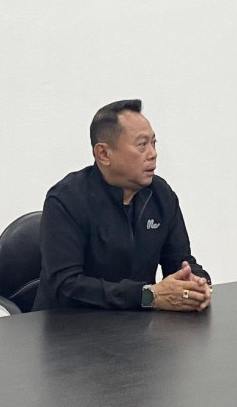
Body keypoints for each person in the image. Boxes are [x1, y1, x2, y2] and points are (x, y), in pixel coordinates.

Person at [32, 99, 212, 312]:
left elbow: (180, 261)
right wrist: (147, 296)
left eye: (154, 143)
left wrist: (196, 283)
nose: (153, 153)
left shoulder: (161, 195)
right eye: (142, 145)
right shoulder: (66, 200)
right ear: (104, 154)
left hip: (138, 324)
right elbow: (66, 286)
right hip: (70, 326)